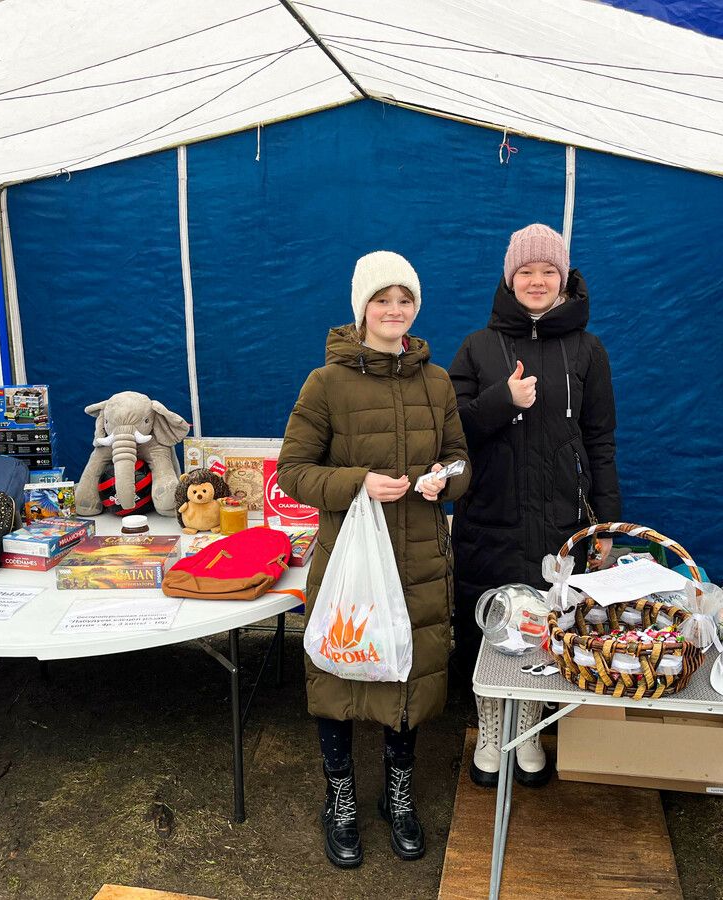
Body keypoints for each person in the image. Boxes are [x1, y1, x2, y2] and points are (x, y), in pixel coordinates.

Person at [277, 251, 470, 869]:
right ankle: (339, 799)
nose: (394, 310)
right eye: (382, 299)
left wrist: (445, 479)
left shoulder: (436, 382)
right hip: (350, 560)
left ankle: (398, 793)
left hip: (419, 558)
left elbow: (462, 460)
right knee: (339, 674)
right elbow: (293, 472)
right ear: (362, 308)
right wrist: (358, 481)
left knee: (408, 673)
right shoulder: (325, 383)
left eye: (404, 299)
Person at [448, 223, 621, 788]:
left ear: (564, 279)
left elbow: (600, 440)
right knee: (489, 628)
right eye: (526, 271)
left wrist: (605, 523)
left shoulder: (588, 350)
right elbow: (452, 431)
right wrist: (503, 399)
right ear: (510, 279)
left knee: (545, 630)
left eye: (549, 271)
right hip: (489, 520)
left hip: (560, 525)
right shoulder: (477, 346)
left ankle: (529, 734)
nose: (537, 281)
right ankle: (491, 733)